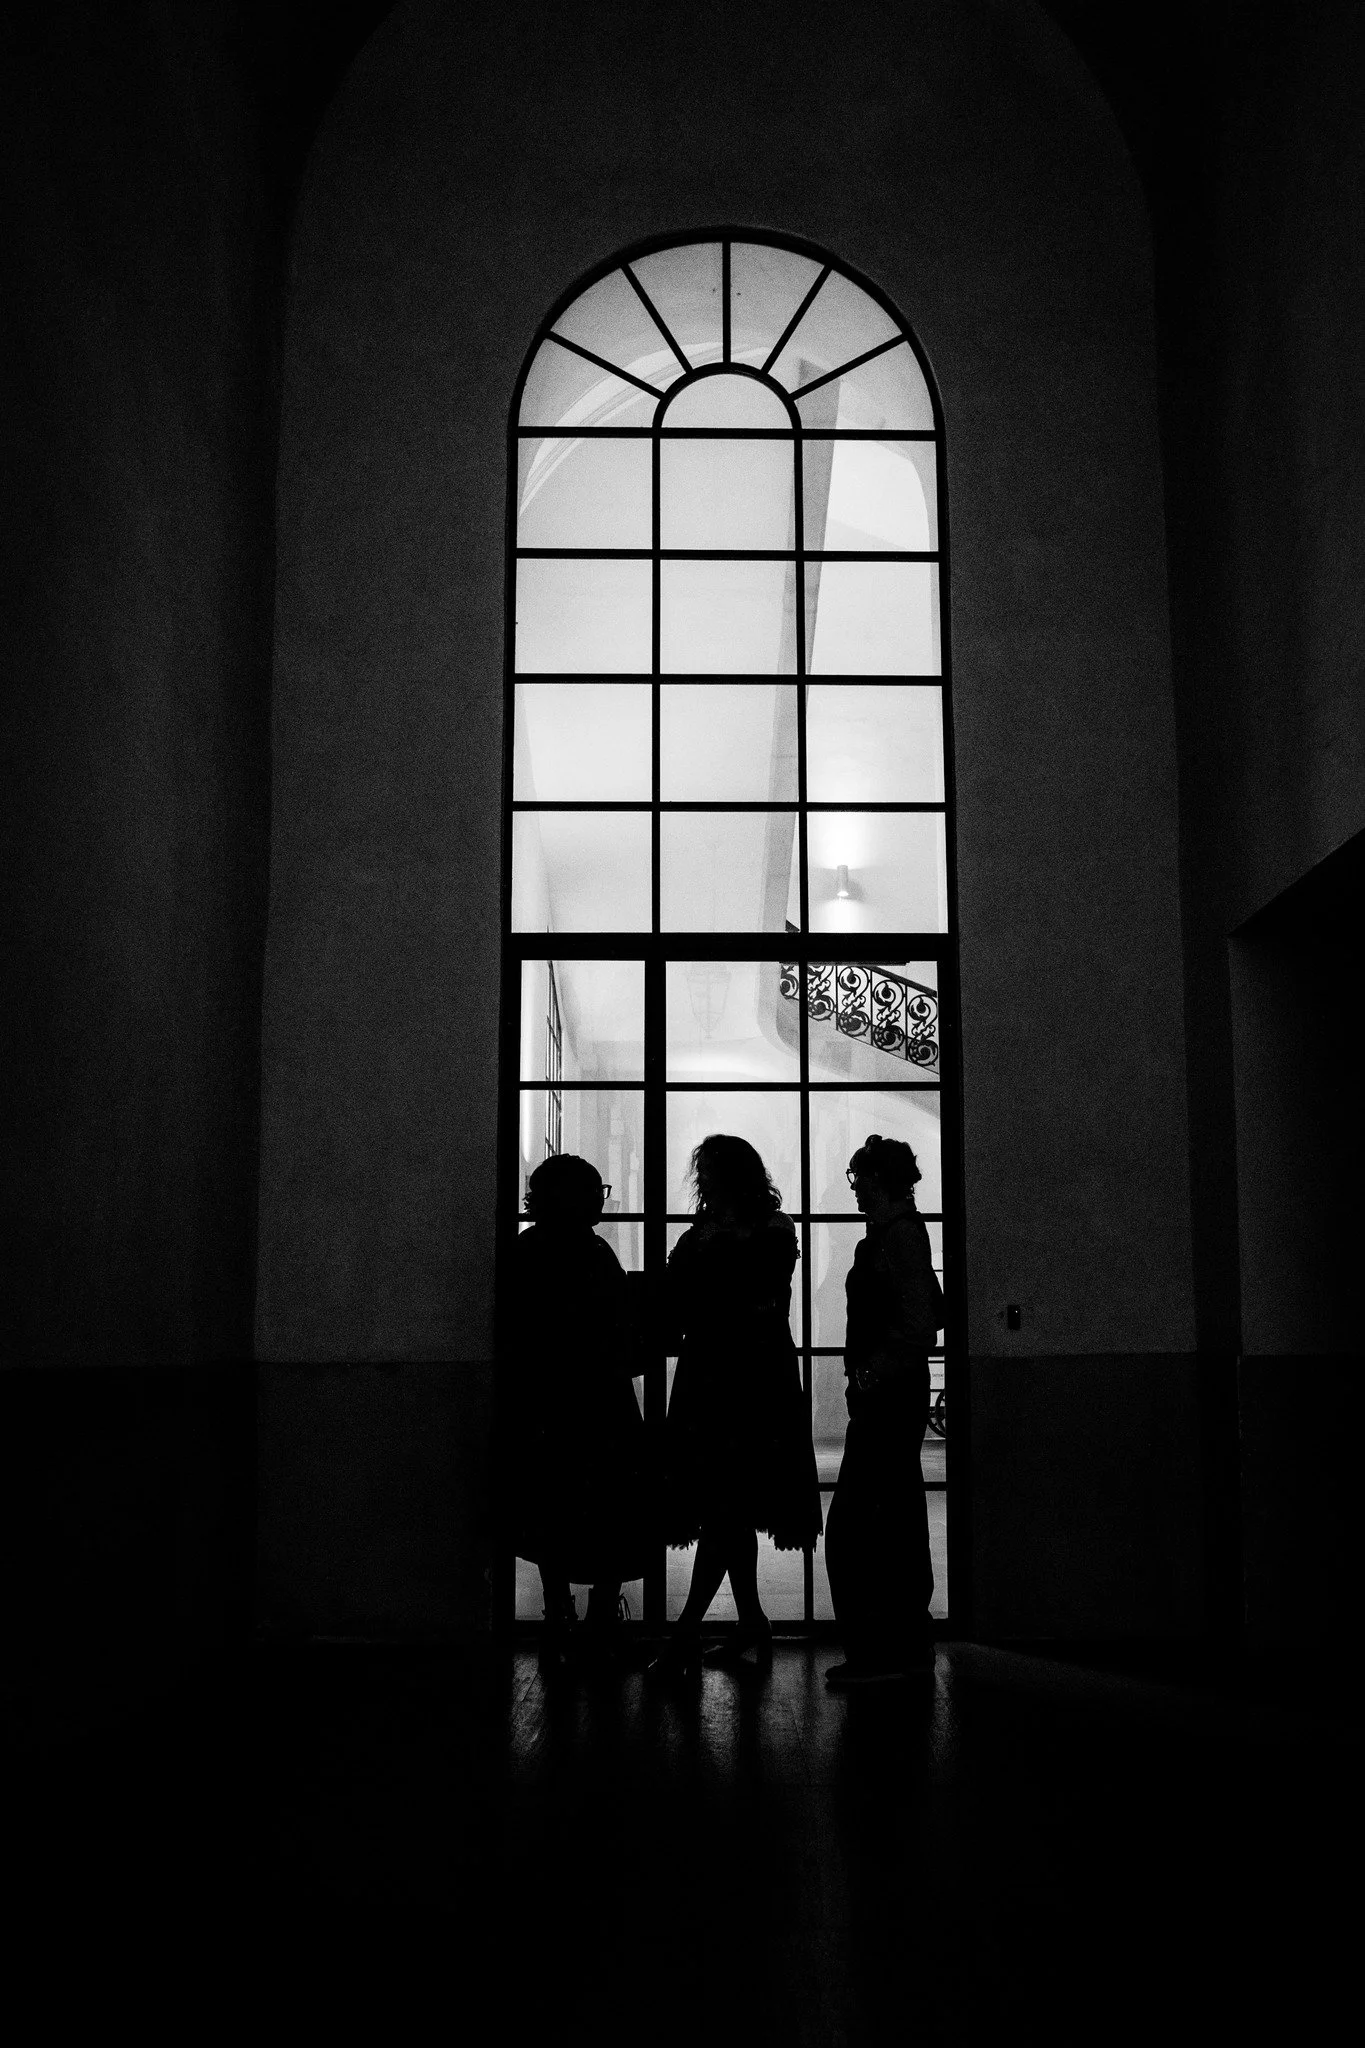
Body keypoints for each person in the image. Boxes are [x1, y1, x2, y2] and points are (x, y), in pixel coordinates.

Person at [650, 1134, 822, 1678]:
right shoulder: (760, 1230)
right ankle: (749, 1620)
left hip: (735, 1376)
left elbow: (711, 1295)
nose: (701, 1178)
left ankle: (688, 1631)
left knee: (726, 1505)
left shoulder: (745, 1232)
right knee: (732, 1506)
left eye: (708, 1170)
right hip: (742, 1372)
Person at [507, 1152, 649, 1663]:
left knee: (553, 1507)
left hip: (548, 1401)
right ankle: (602, 1615)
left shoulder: (527, 1251)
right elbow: (618, 1323)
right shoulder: (595, 1251)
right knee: (610, 1509)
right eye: (596, 1191)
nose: (601, 1200)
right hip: (601, 1400)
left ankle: (558, 1611)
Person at [824, 1134, 945, 1688]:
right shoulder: (897, 1235)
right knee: (893, 1516)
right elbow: (925, 1315)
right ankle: (900, 1645)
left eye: (858, 1177)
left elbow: (919, 1323)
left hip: (887, 1396)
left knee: (857, 1525)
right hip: (894, 1394)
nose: (854, 1188)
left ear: (877, 1180)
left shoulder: (896, 1239)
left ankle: (880, 1649)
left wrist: (872, 1371)